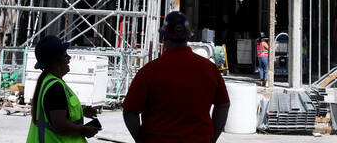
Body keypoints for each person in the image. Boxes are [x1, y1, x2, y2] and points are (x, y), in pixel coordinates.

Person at [123, 11, 230, 143]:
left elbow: (129, 112)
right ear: (188, 37)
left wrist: (140, 140)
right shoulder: (210, 69)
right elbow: (223, 105)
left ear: (164, 38)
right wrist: (212, 138)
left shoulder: (149, 71)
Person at [27, 35, 100, 143]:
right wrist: (84, 130)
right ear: (56, 62)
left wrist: (82, 112)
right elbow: (60, 125)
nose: (69, 58)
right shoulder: (55, 87)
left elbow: (54, 113)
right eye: (65, 56)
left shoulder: (48, 82)